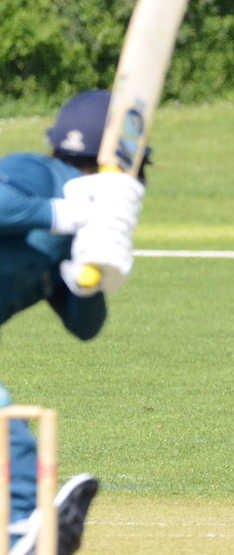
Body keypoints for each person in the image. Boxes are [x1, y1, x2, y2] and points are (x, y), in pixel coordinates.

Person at [1, 90, 145, 554]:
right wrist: (61, 213)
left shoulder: (93, 223)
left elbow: (85, 328)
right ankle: (23, 527)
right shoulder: (35, 173)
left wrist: (88, 282)